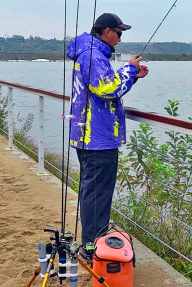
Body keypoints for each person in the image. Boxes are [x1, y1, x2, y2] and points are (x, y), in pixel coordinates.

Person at [66, 12, 148, 245]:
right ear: (106, 31)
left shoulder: (89, 53)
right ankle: (93, 245)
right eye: (119, 33)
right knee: (97, 195)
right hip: (97, 138)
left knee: (93, 193)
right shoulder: (93, 55)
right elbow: (107, 89)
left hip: (88, 135)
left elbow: (103, 87)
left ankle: (93, 242)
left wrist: (132, 78)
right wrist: (130, 69)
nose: (120, 39)